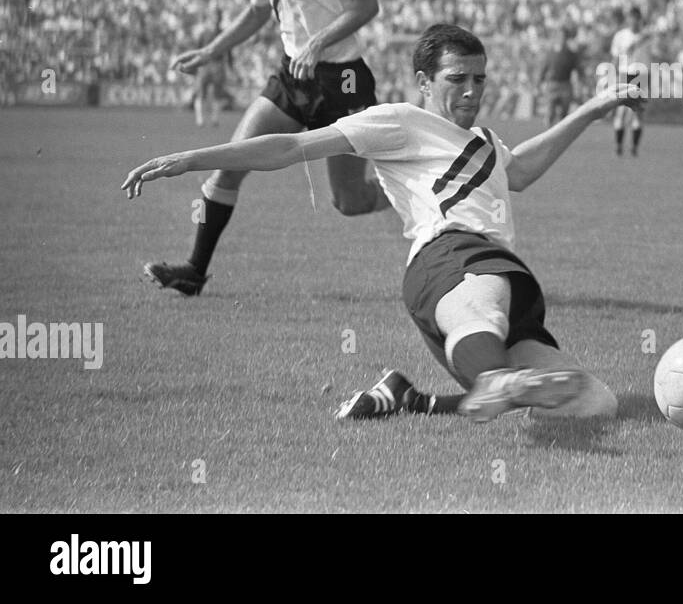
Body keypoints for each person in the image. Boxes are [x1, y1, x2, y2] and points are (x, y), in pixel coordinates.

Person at [123, 23, 633, 423]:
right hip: (450, 261)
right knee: (486, 299)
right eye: (457, 79)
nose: (472, 91)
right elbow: (294, 146)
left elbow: (518, 170)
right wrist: (194, 158)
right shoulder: (398, 121)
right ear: (424, 83)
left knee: (593, 402)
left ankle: (415, 400)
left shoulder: (485, 141)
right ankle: (494, 376)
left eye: (479, 79)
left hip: (502, 277)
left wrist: (592, 108)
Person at [144, 0, 387, 297]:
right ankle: (194, 271)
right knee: (228, 164)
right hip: (292, 78)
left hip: (343, 81)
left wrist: (317, 44)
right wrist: (212, 50)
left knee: (348, 202)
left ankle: (419, 194)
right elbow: (258, 12)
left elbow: (367, 5)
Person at [609, 7, 648, 156]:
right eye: (631, 18)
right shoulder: (621, 36)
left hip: (640, 75)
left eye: (636, 19)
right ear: (628, 19)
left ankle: (634, 147)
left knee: (638, 113)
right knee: (620, 111)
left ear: (640, 20)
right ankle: (618, 145)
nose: (633, 21)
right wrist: (611, 75)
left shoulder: (647, 36)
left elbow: (650, 58)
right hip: (624, 75)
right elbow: (615, 57)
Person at [193, 9, 233, 129]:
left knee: (217, 93)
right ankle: (200, 119)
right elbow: (197, 51)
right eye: (215, 16)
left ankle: (215, 119)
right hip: (205, 66)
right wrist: (195, 66)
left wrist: (230, 66)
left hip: (218, 65)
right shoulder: (204, 33)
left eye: (218, 16)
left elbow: (229, 51)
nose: (216, 19)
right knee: (201, 93)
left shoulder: (223, 33)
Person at [537, 24, 584, 126]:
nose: (561, 38)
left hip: (565, 85)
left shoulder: (571, 54)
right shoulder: (550, 53)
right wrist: (540, 82)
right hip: (553, 84)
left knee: (564, 114)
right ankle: (548, 135)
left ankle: (559, 136)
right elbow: (544, 68)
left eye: (563, 36)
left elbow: (578, 70)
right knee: (550, 112)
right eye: (559, 36)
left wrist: (579, 84)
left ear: (566, 38)